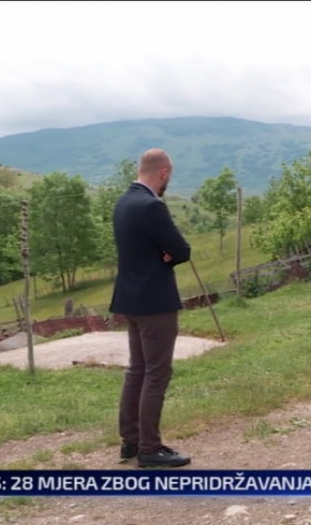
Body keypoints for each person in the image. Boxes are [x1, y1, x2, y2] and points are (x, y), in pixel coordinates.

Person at [109, 148, 192, 468]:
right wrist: (167, 254)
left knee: (137, 370)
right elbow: (181, 250)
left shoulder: (123, 202)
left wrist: (164, 251)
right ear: (164, 172)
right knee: (157, 374)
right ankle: (150, 447)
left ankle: (130, 440)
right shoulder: (152, 206)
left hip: (129, 299)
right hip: (155, 302)